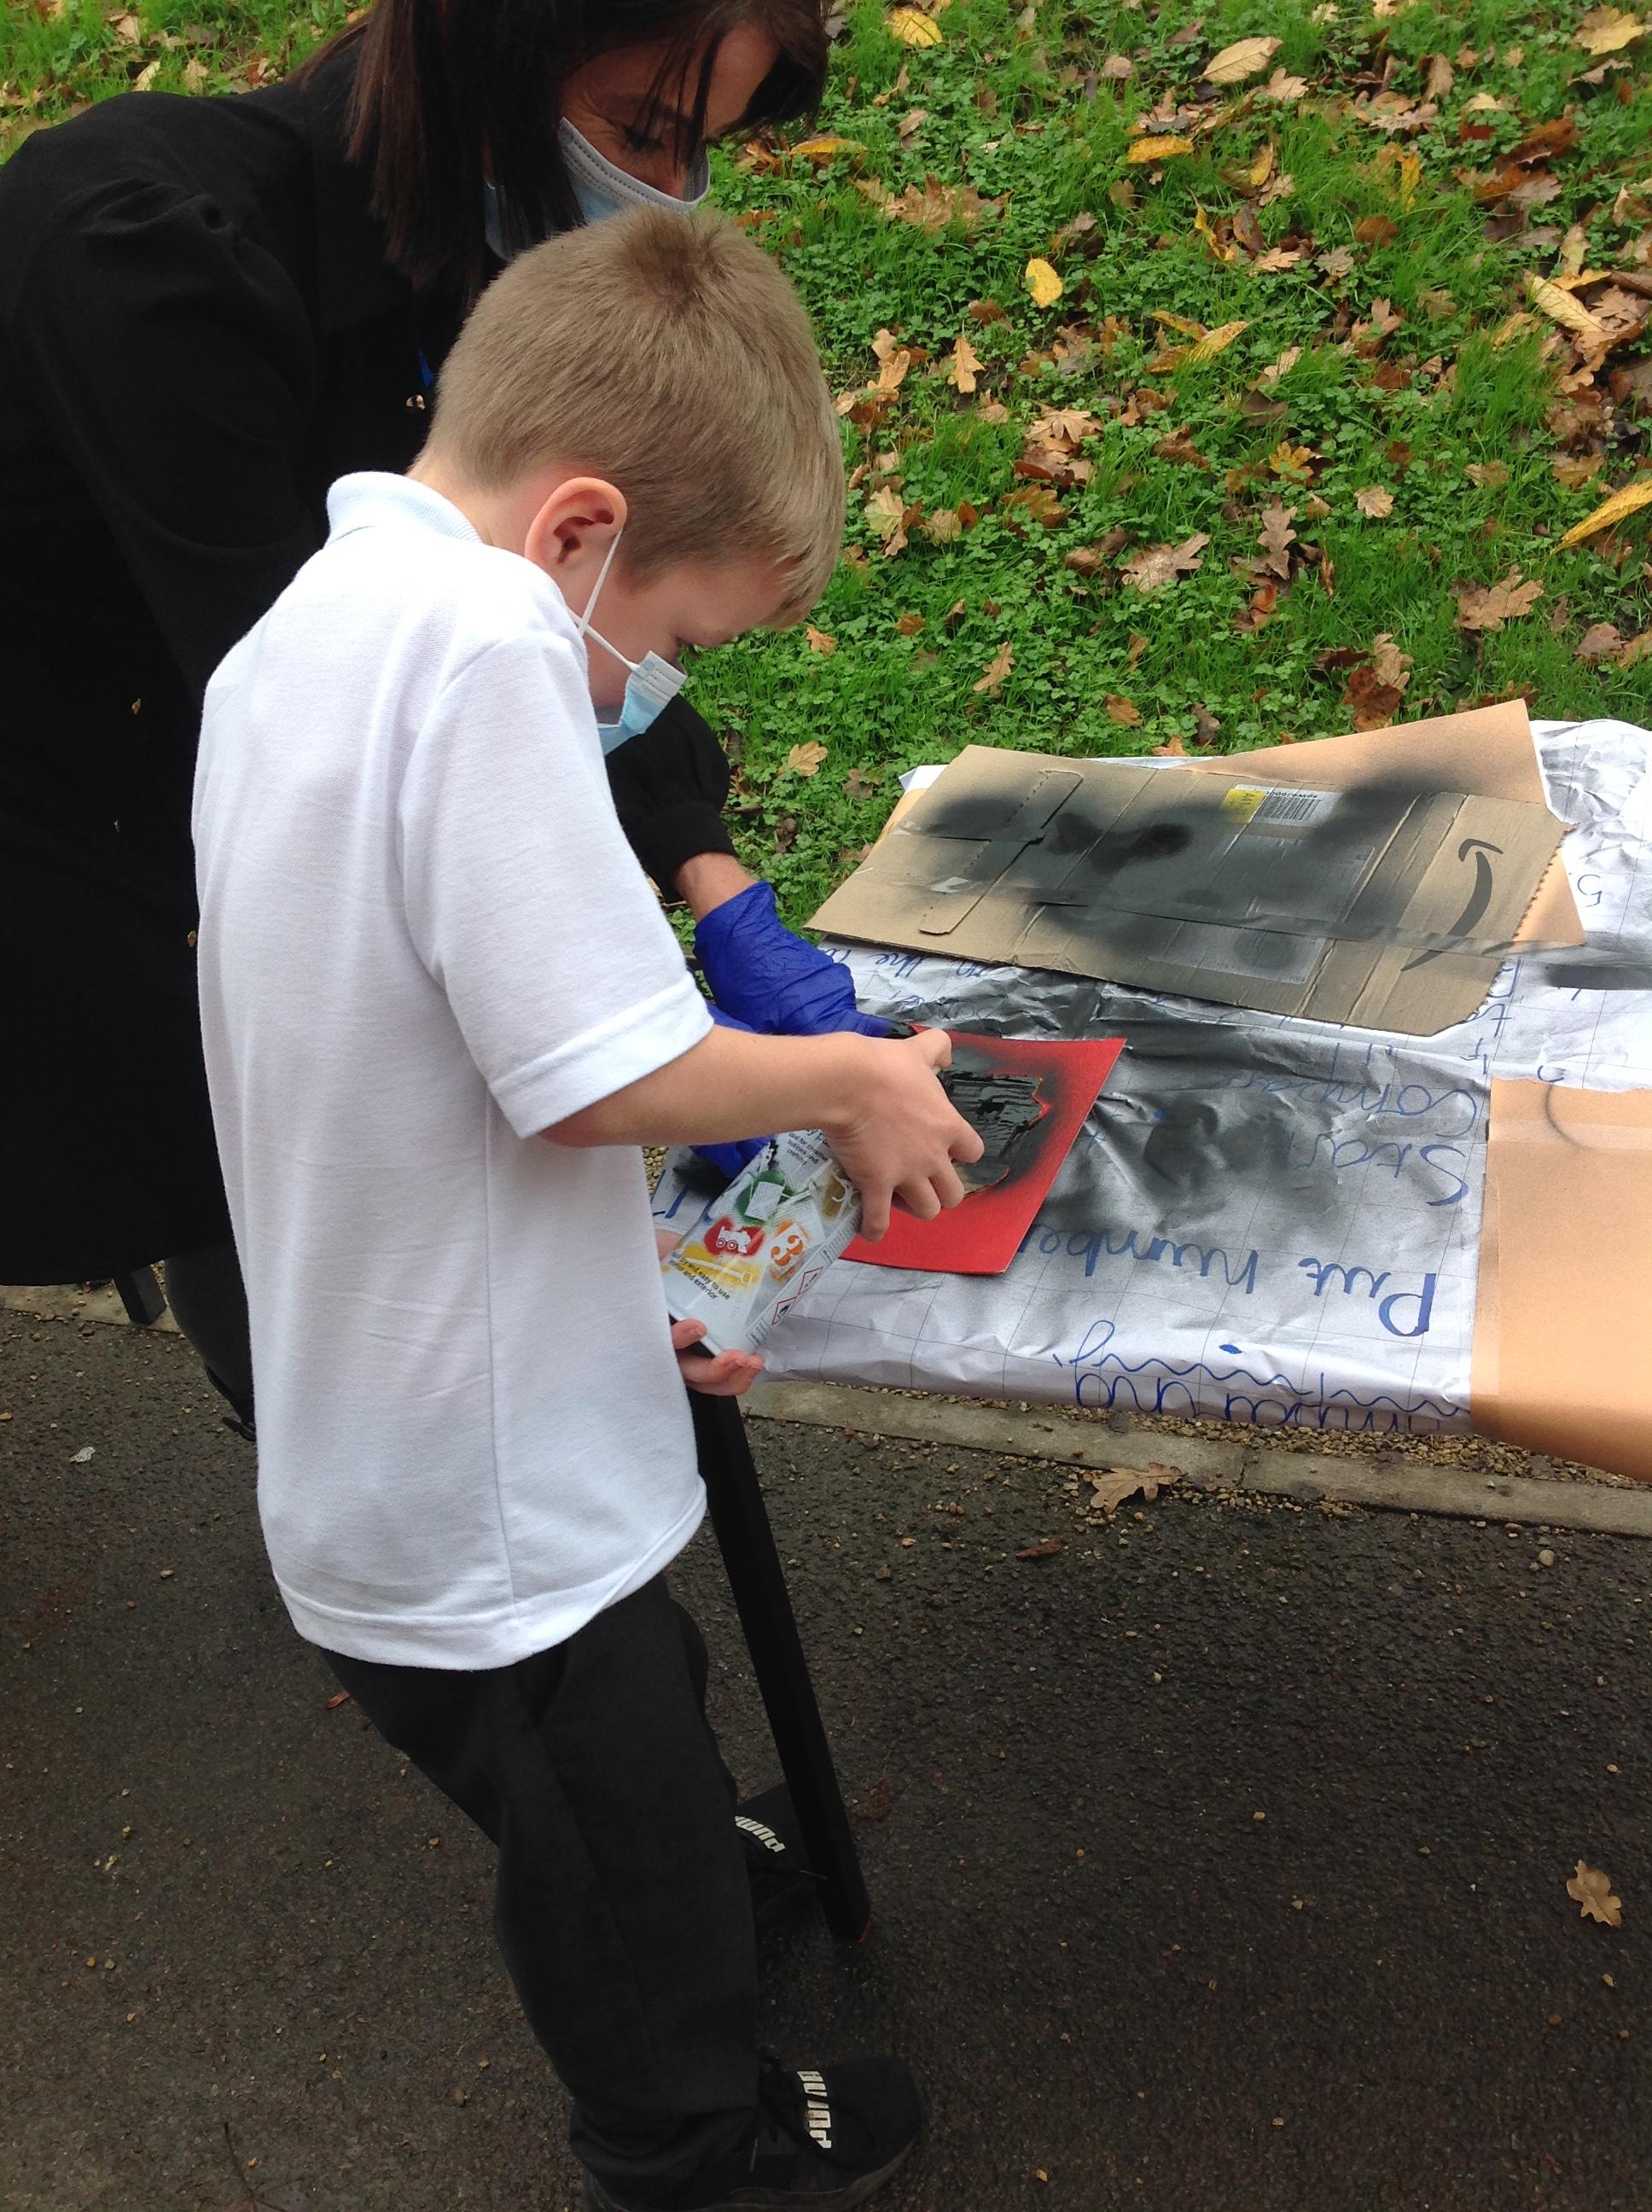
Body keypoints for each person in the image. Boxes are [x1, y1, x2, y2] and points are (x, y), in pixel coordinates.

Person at [191, 203, 982, 2210]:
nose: (658, 690)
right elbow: (597, 1072)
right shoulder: (482, 648)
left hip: (403, 1403)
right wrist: (850, 1080)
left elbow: (415, 1057)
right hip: (474, 1497)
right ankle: (685, 2142)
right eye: (682, 641)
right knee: (606, 1837)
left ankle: (676, 1878)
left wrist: (611, 1285)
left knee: (636, 1742)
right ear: (577, 532)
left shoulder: (307, 626)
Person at [0, 0, 881, 1432]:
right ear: (506, 47)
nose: (664, 188)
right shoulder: (151, 258)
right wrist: (656, 1058)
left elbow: (552, 614)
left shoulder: (470, 267)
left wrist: (710, 877)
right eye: (643, 130)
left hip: (203, 785)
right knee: (244, 1168)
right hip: (69, 815)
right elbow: (392, 703)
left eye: (699, 150)